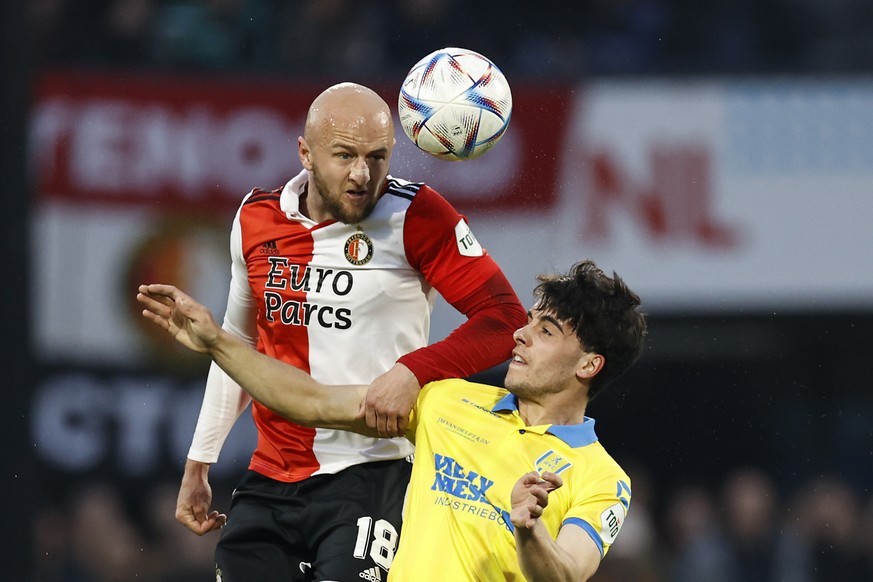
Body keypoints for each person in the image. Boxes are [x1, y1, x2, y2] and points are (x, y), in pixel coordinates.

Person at [175, 81, 526, 581]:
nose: (363, 175)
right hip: (271, 477)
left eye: (378, 157)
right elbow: (238, 343)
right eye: (344, 156)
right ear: (306, 153)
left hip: (374, 472)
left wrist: (412, 372)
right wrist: (200, 461)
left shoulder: (418, 215)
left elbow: (505, 318)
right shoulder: (255, 217)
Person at [138, 258, 647, 580]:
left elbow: (568, 574)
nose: (520, 335)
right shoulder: (447, 402)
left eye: (547, 330)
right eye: (528, 321)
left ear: (588, 364)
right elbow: (312, 401)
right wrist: (217, 342)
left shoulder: (602, 478)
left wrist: (529, 529)